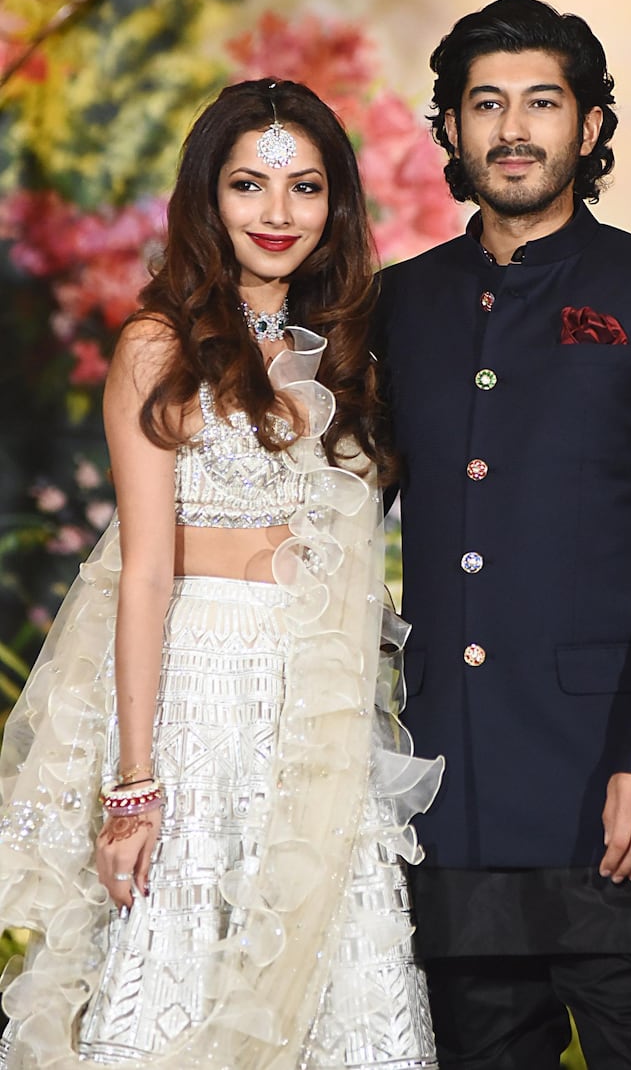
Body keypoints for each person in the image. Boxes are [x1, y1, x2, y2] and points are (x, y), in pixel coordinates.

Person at [0, 78, 443, 1069]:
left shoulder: (353, 357)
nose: (276, 214)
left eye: (304, 187)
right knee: (181, 962)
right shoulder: (158, 345)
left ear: (336, 205)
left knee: (335, 961)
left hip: (321, 699)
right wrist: (133, 787)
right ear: (209, 198)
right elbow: (146, 572)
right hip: (199, 687)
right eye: (249, 185)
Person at [375, 0, 631, 1069]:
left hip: (612, 790)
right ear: (448, 129)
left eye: (541, 101)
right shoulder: (398, 306)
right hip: (456, 795)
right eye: (483, 104)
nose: (512, 129)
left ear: (588, 127)